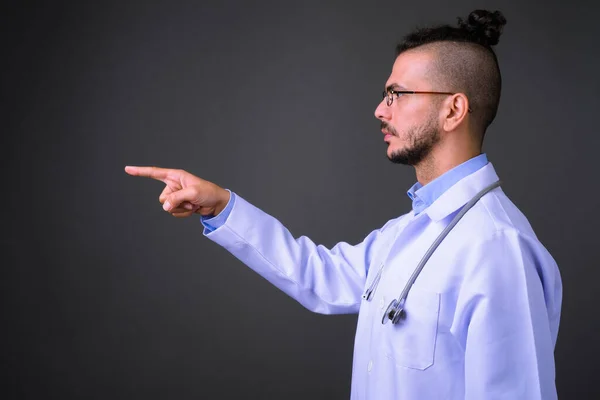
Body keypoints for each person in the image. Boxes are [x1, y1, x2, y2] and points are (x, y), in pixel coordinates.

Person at [125, 9, 562, 400]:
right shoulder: (406, 232)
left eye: (397, 94)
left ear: (453, 110)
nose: (379, 109)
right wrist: (219, 205)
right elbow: (321, 276)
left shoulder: (497, 248)